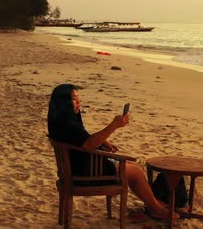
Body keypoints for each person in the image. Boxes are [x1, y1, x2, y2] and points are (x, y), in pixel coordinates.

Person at [47, 83, 171, 219]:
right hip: (84, 172)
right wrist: (114, 125)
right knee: (136, 172)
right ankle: (156, 209)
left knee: (133, 168)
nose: (79, 102)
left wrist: (102, 141)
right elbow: (88, 145)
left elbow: (81, 139)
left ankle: (152, 203)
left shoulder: (59, 120)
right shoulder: (68, 124)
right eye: (74, 99)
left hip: (75, 167)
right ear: (64, 102)